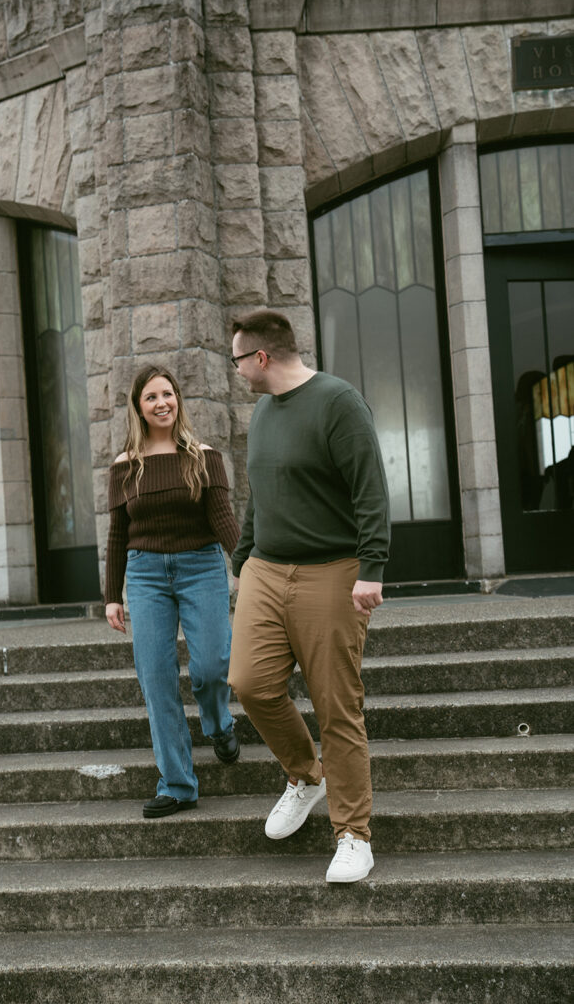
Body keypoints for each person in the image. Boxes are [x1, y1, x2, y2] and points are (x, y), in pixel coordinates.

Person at [228, 309, 390, 882]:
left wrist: (372, 566)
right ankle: (304, 774)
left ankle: (353, 835)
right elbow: (260, 494)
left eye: (238, 360)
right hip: (267, 572)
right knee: (249, 682)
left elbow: (370, 486)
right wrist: (243, 559)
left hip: (332, 572)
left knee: (335, 706)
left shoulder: (338, 402)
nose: (237, 372)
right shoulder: (264, 413)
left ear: (262, 358)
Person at [105, 364, 241, 819]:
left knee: (210, 665)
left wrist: (247, 567)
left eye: (168, 394)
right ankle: (178, 783)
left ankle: (219, 724)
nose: (161, 402)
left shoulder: (204, 456)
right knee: (157, 679)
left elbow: (223, 520)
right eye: (151, 397)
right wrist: (111, 594)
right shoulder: (126, 466)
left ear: (177, 399)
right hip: (144, 578)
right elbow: (118, 535)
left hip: (201, 566)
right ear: (138, 408)